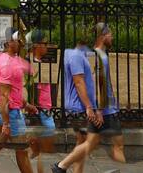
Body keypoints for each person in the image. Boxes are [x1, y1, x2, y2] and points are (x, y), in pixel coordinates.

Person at [0, 31, 32, 173]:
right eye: (16, 40)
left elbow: (12, 92)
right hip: (9, 112)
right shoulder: (7, 65)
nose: (20, 43)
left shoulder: (2, 57)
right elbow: (5, 97)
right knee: (22, 151)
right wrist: (7, 123)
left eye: (20, 40)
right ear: (8, 42)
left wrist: (26, 105)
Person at [54, 30, 100, 173]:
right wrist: (89, 107)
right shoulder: (76, 57)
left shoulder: (78, 56)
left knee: (81, 142)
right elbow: (79, 82)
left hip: (80, 106)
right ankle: (61, 166)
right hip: (79, 107)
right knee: (92, 141)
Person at [89, 23, 126, 164]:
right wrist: (99, 109)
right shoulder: (100, 56)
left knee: (87, 145)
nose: (112, 37)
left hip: (103, 108)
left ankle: (62, 165)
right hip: (107, 110)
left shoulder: (97, 54)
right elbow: (99, 83)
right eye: (110, 35)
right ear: (103, 36)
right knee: (118, 146)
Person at [24, 31, 56, 173]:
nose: (47, 46)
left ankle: (35, 146)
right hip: (39, 109)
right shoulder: (29, 63)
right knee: (48, 135)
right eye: (44, 43)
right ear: (36, 45)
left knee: (43, 148)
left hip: (46, 108)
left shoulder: (43, 62)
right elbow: (28, 87)